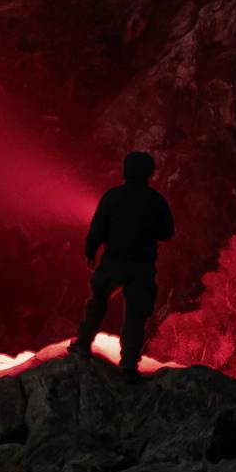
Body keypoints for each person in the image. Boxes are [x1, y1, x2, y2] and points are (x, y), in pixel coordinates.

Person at [69, 150, 174, 381]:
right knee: (136, 316)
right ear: (149, 172)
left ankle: (83, 344)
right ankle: (128, 366)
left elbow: (97, 227)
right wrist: (147, 230)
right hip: (142, 266)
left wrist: (90, 251)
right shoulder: (155, 200)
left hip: (113, 261)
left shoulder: (112, 197)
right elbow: (168, 232)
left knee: (97, 302)